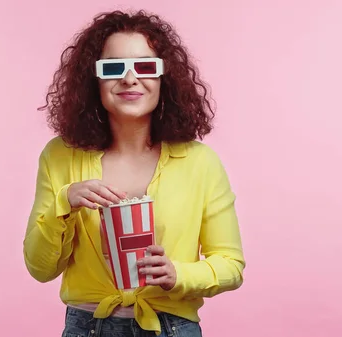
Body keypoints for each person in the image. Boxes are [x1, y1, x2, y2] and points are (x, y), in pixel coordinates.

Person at [23, 9, 246, 337]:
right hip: (88, 328)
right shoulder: (60, 157)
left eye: (145, 66)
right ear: (93, 80)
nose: (130, 79)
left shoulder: (201, 163)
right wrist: (64, 203)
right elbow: (40, 269)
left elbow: (231, 264)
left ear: (163, 79)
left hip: (171, 326)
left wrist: (178, 274)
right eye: (113, 68)